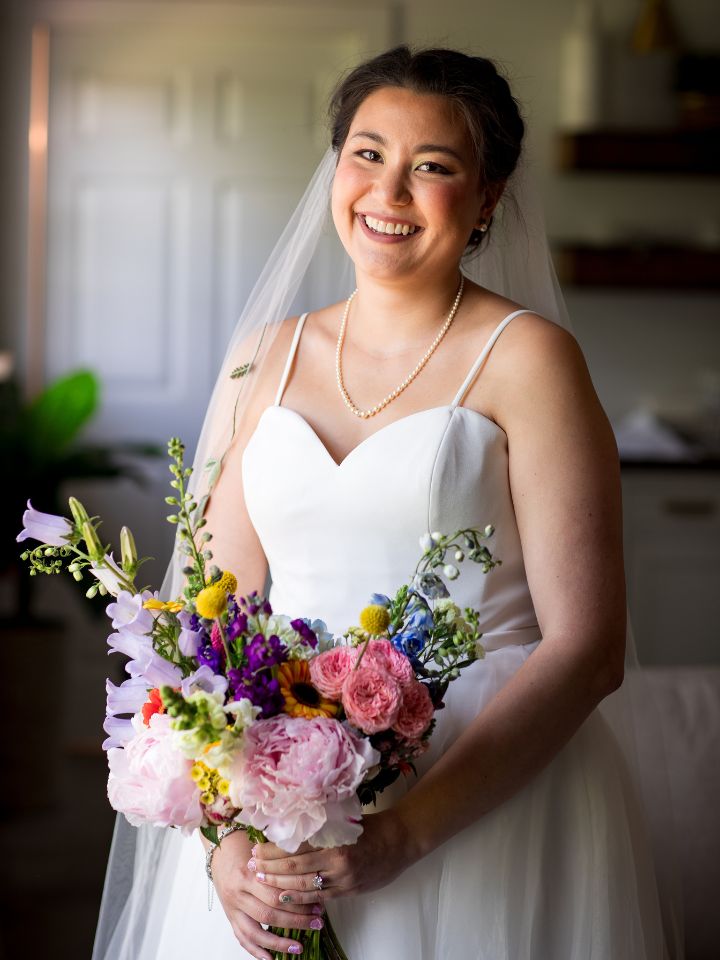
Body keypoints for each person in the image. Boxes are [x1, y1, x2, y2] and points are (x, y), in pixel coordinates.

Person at [93, 46, 680, 960]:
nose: (388, 191)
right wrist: (225, 843)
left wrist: (408, 832)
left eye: (433, 167)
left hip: (485, 803)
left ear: (488, 198)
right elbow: (206, 628)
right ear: (335, 169)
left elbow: (589, 650)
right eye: (367, 154)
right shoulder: (263, 356)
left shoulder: (530, 360)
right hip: (272, 809)